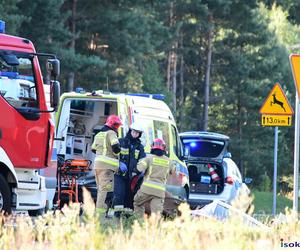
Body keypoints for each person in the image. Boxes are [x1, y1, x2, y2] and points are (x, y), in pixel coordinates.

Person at [133, 138, 176, 217]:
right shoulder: (170, 161)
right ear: (164, 148)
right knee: (156, 214)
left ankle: (140, 223)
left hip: (146, 190)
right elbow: (173, 172)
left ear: (152, 147)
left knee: (137, 203)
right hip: (159, 192)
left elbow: (138, 169)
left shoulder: (148, 158)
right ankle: (156, 228)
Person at [112, 122, 146, 217]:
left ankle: (127, 217)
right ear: (130, 131)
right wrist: (118, 164)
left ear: (140, 134)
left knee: (129, 197)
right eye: (134, 132)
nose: (135, 134)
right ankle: (117, 216)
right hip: (119, 174)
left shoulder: (140, 147)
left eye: (137, 133)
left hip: (132, 176)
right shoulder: (121, 142)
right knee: (119, 194)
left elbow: (143, 160)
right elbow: (112, 156)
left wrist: (138, 171)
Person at [91, 114, 123, 214]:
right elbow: (116, 147)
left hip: (97, 166)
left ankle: (100, 213)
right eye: (117, 126)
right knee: (105, 192)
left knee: (101, 190)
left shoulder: (98, 134)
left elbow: (93, 149)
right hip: (107, 168)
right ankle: (101, 215)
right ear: (114, 125)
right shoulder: (111, 133)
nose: (117, 128)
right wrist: (117, 155)